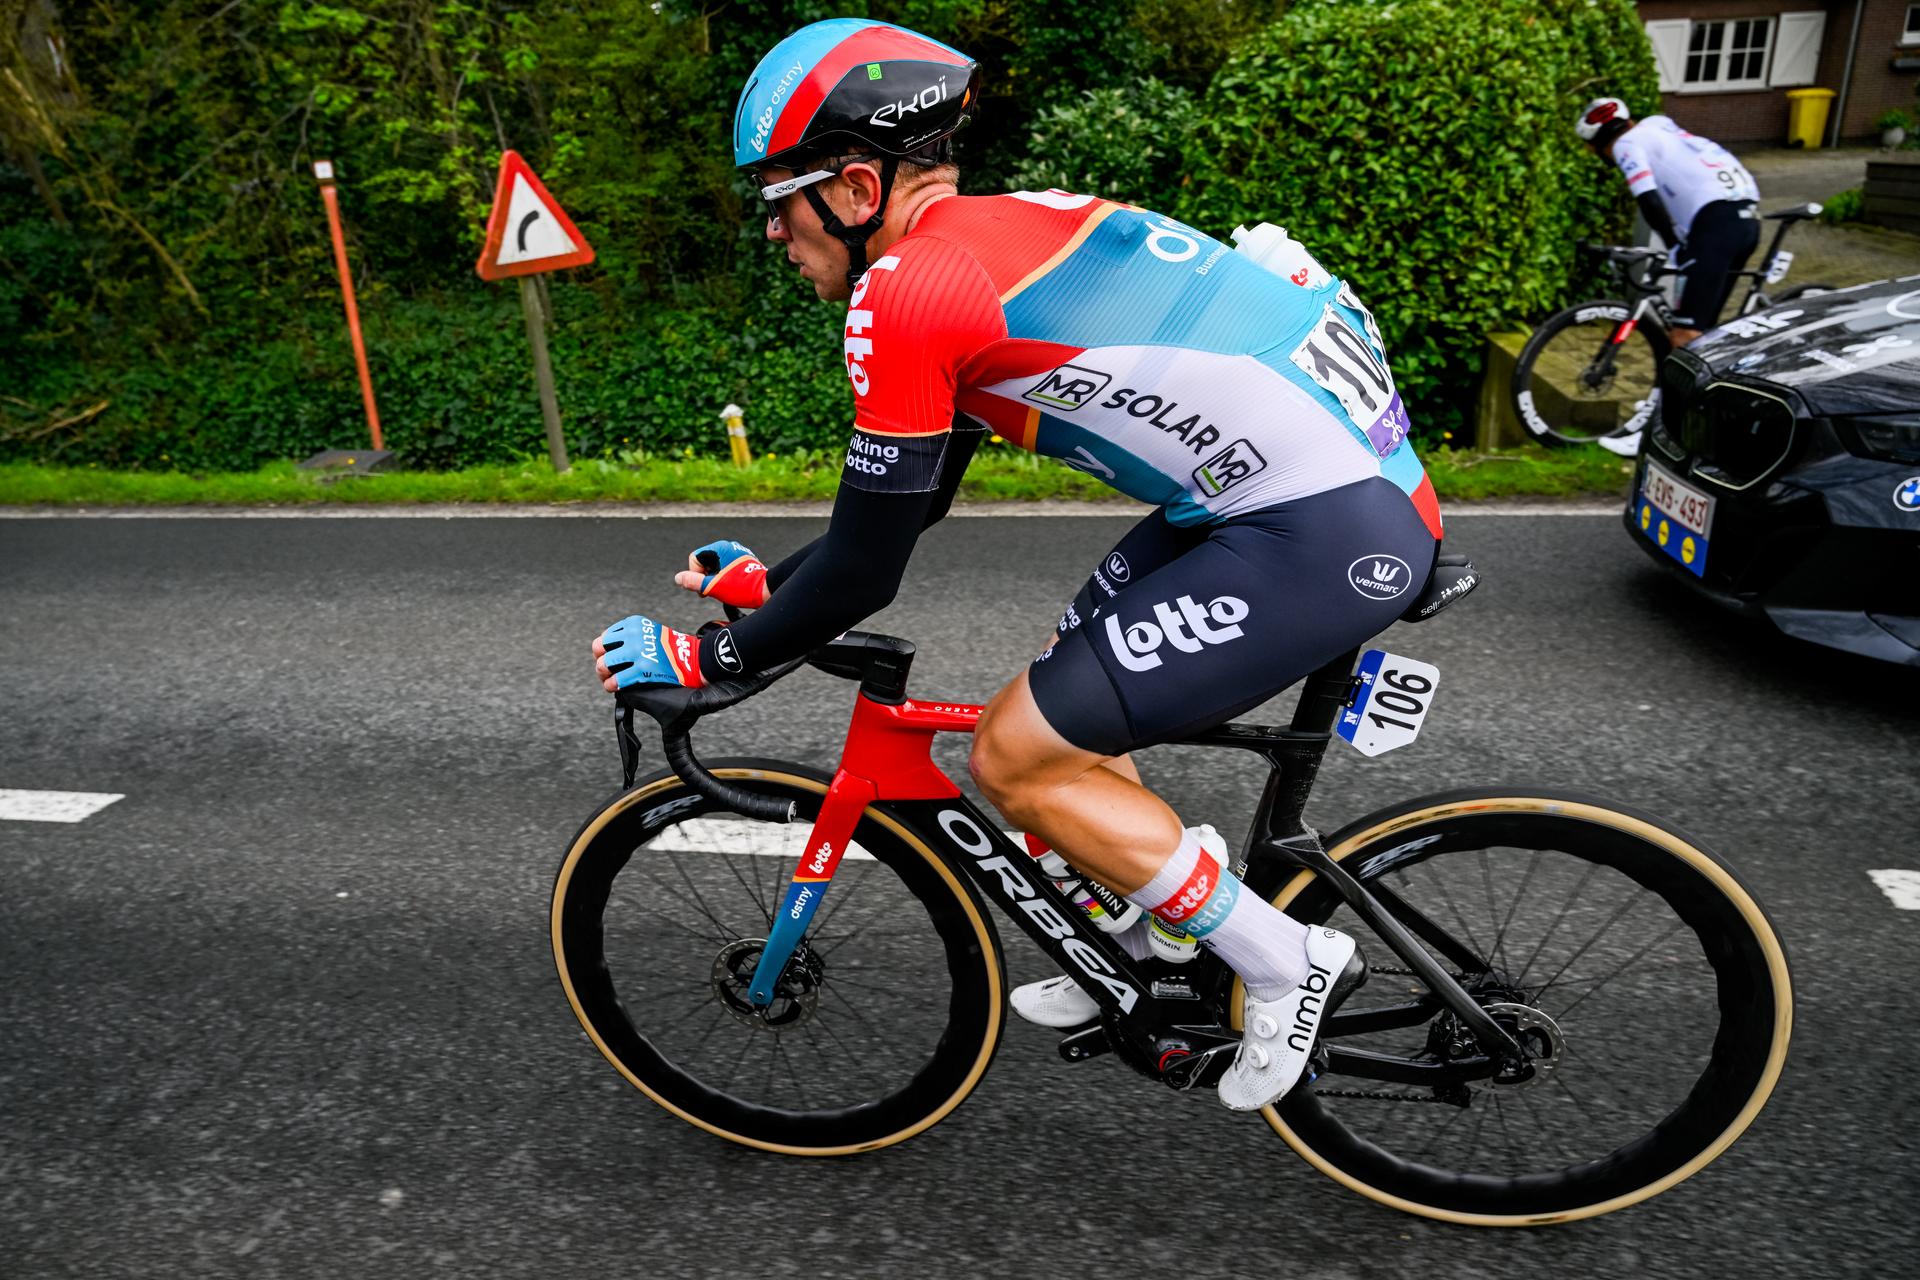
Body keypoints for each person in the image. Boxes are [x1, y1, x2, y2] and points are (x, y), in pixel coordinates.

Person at [592, 19, 1443, 1113]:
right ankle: (1150, 922)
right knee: (1063, 693)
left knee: (1011, 755)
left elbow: (866, 572)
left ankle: (1285, 959)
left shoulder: (905, 292)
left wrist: (711, 657)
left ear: (855, 189)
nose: (772, 230)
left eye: (779, 199)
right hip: (1283, 496)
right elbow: (912, 503)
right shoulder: (995, 237)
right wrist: (768, 591)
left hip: (1316, 527)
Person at [1576, 97, 1761, 347]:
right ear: (1629, 121)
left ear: (1596, 146)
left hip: (1716, 223)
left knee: (1685, 335)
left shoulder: (1624, 144)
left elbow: (1648, 200)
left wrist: (1674, 246)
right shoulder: (1658, 126)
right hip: (1745, 216)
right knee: (1704, 330)